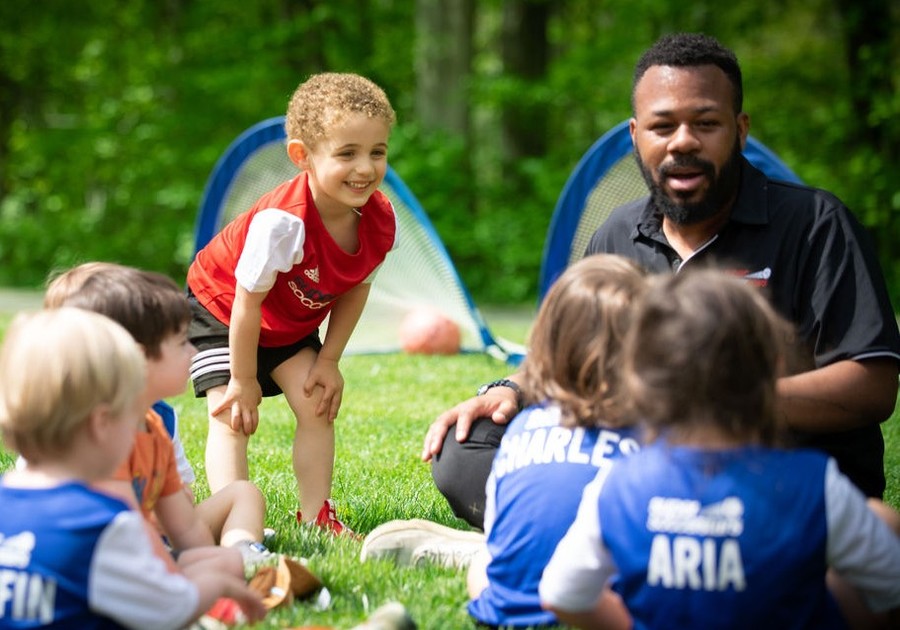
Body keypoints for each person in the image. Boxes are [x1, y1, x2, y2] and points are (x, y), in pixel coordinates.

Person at [423, 32, 900, 529]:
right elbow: (560, 360)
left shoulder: (816, 224)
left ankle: (572, 539)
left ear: (740, 130)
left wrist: (713, 405)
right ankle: (627, 534)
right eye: (662, 125)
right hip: (640, 465)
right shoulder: (616, 233)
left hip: (770, 472)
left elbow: (871, 385)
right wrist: (510, 390)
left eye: (706, 123)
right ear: (635, 136)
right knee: (467, 447)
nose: (683, 141)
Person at [539, 269, 900, 629]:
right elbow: (891, 585)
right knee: (884, 523)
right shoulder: (815, 484)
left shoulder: (617, 483)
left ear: (639, 377)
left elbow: (561, 593)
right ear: (773, 368)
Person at [186, 72, 398, 536]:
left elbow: (356, 285)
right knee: (233, 416)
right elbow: (246, 302)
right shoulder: (282, 224)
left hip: (288, 318)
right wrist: (242, 380)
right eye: (347, 153)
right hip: (224, 307)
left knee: (317, 405)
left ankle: (316, 516)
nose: (365, 168)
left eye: (376, 152)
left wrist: (329, 360)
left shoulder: (380, 220)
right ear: (302, 156)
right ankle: (232, 524)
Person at [0, 307, 266, 628]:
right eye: (132, 416)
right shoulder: (105, 523)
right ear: (101, 424)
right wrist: (222, 585)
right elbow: (169, 610)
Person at [43, 262, 270, 570]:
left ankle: (242, 548)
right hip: (100, 556)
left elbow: (182, 512)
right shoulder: (94, 433)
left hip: (157, 540)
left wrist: (208, 555)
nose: (193, 353)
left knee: (244, 492)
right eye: (181, 343)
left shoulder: (158, 422)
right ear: (137, 358)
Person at [464, 254, 644, 628]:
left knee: (483, 558)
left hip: (502, 612)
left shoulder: (522, 425)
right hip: (595, 610)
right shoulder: (649, 434)